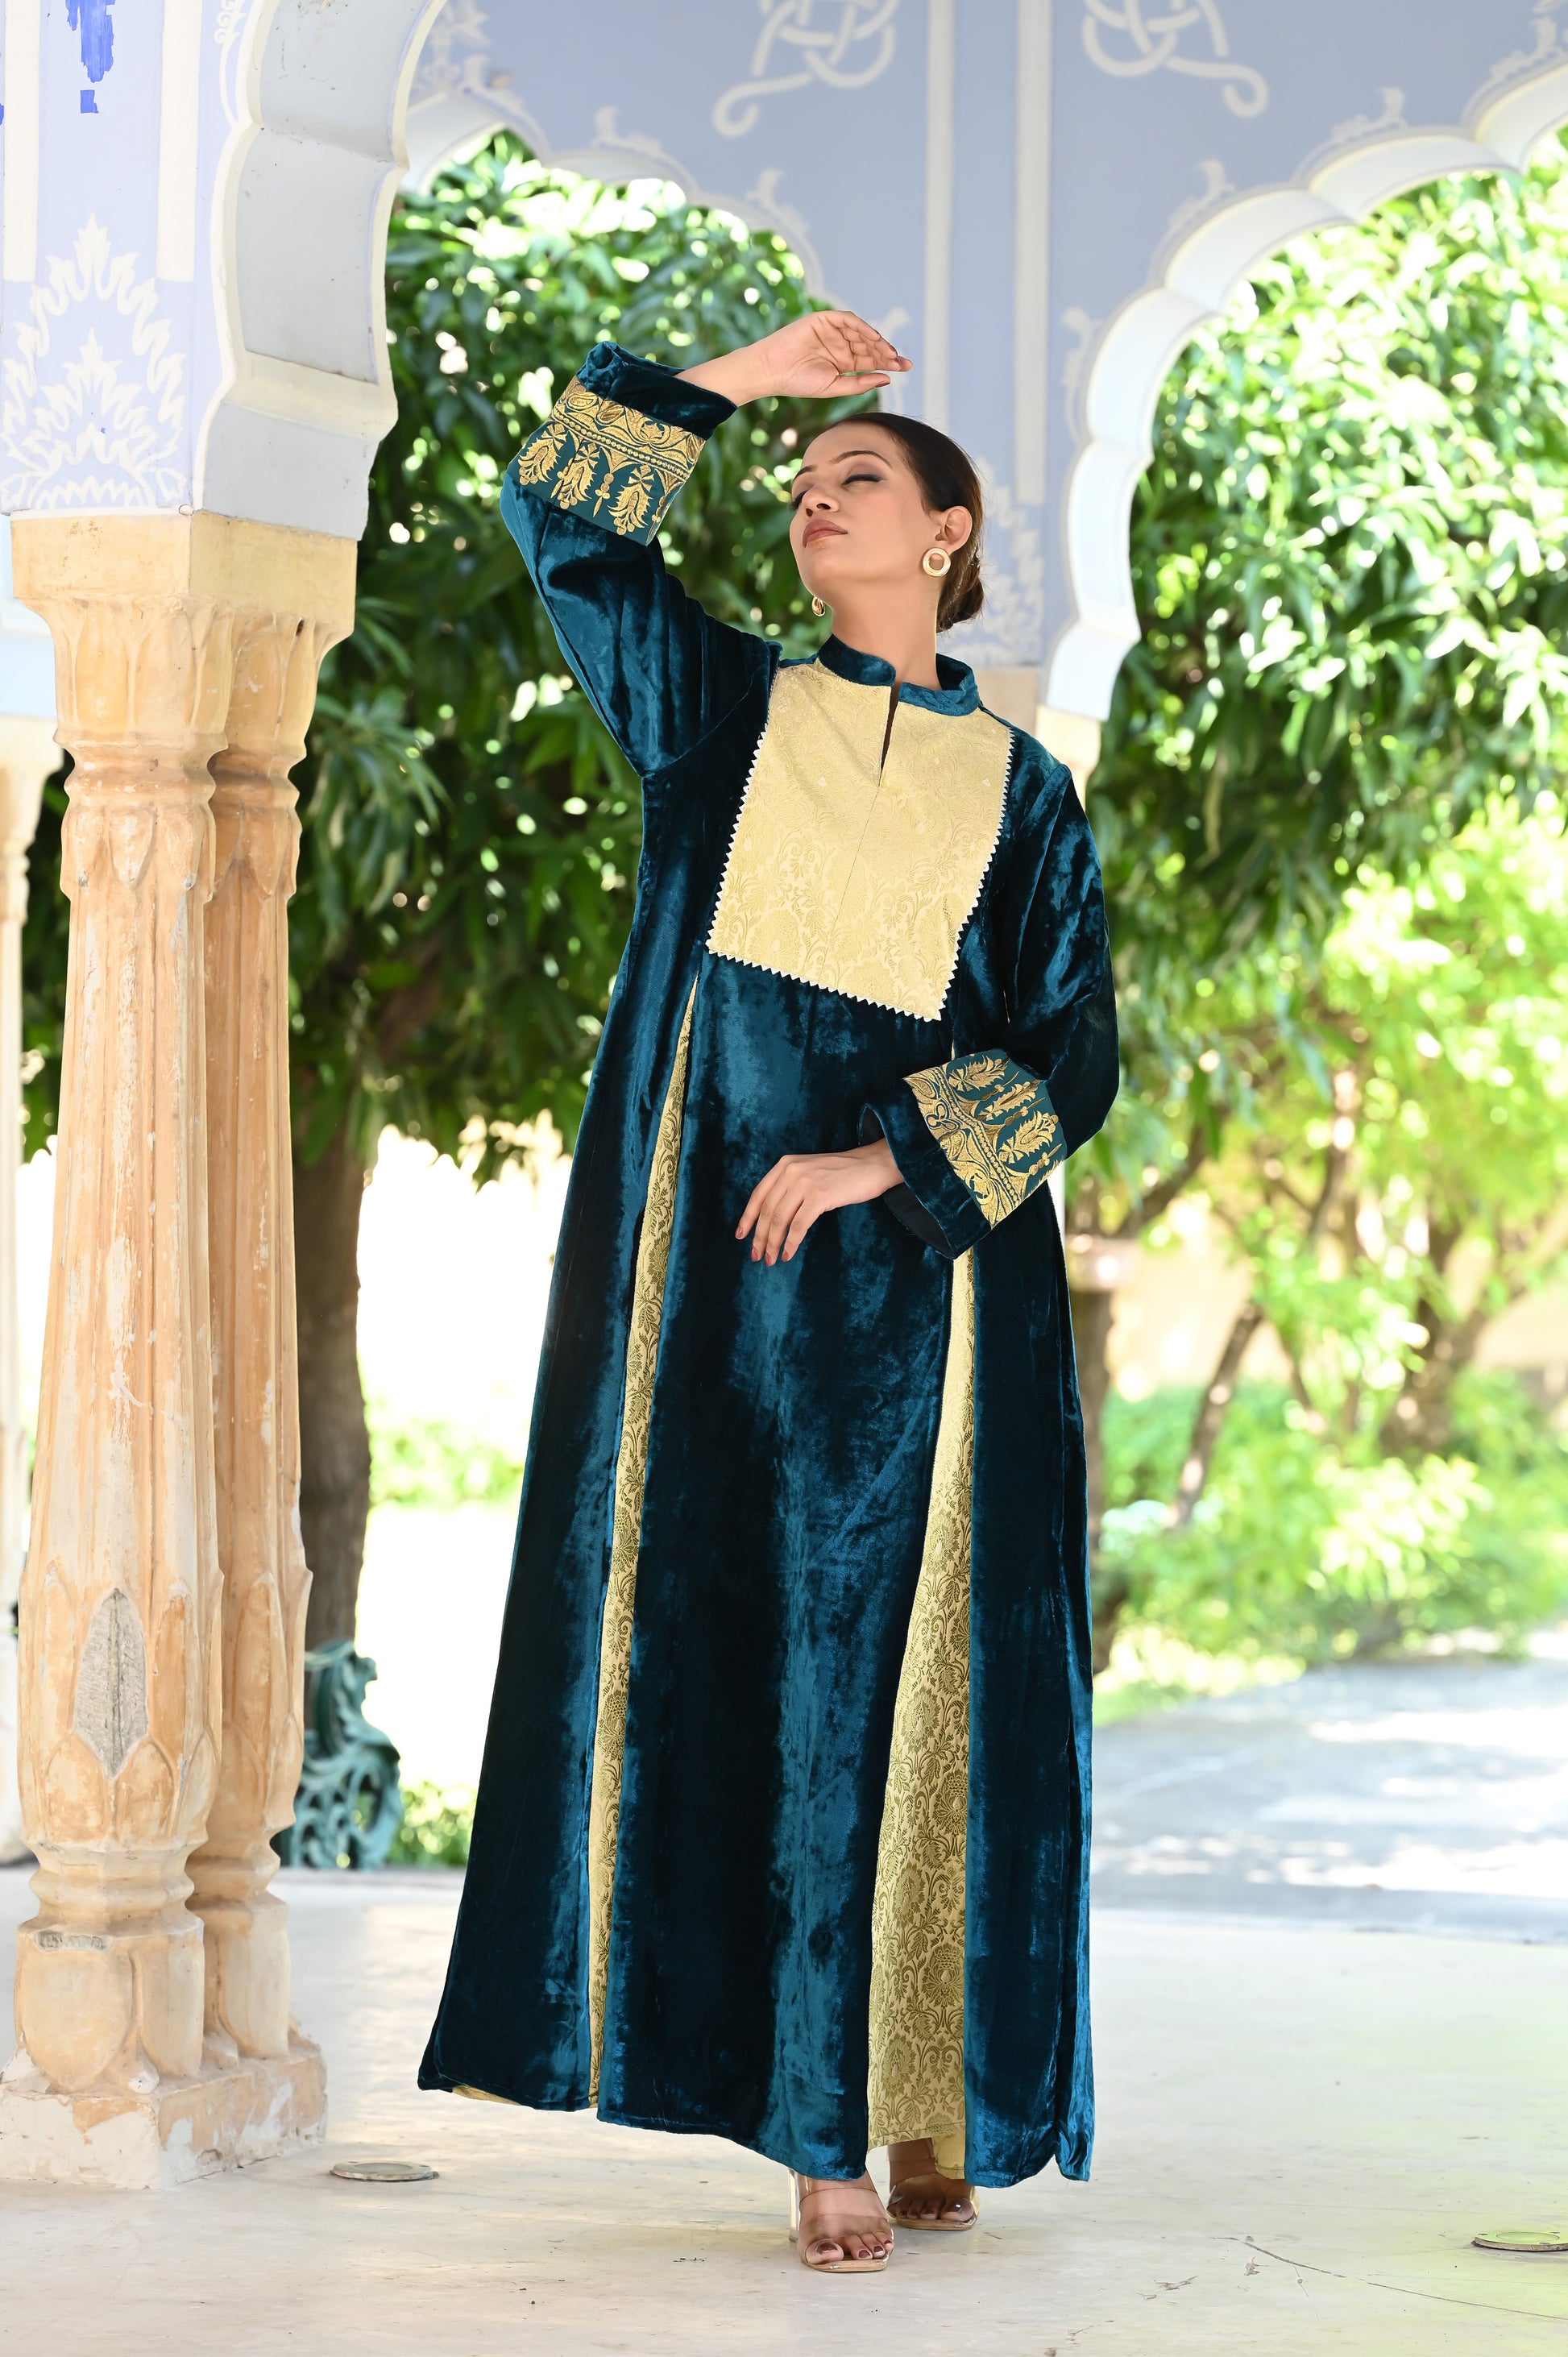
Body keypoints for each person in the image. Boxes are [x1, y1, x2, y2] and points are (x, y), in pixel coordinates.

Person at [419, 310, 1118, 2273]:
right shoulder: (720, 710)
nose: (816, 499)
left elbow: (1070, 1052)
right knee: (770, 1681)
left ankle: (922, 2090)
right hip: (717, 1310)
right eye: (803, 484)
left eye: (858, 477)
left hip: (934, 1309)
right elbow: (562, 519)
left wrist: (879, 1157)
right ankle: (815, 2127)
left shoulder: (1024, 791)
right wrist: (739, 382)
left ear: (949, 533)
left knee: (929, 1685)